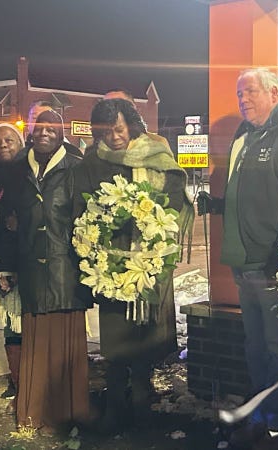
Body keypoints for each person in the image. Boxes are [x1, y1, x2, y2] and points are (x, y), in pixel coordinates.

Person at [196, 68, 278, 448]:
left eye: (249, 92)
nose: (243, 100)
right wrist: (218, 204)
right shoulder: (246, 134)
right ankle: (262, 418)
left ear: (273, 92)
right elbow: (248, 193)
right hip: (244, 262)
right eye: (239, 95)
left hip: (273, 265)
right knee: (256, 345)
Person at [71, 99, 191, 432]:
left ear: (132, 125)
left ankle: (141, 396)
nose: (114, 138)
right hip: (109, 262)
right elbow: (82, 204)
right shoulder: (92, 161)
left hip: (148, 259)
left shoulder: (155, 152)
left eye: (119, 129)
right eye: (106, 132)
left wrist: (151, 217)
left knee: (143, 334)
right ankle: (115, 402)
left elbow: (176, 197)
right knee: (114, 334)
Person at [11, 109, 90, 433]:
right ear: (30, 131)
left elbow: (87, 217)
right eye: (38, 127)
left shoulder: (76, 167)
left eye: (51, 127)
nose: (44, 132)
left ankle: (69, 413)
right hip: (31, 269)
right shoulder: (18, 170)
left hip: (65, 269)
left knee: (65, 344)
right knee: (36, 342)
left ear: (61, 132)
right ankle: (33, 412)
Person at [0, 122, 26, 405]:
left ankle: (32, 377)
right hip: (0, 257)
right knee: (11, 323)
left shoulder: (30, 173)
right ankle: (17, 379)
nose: (4, 145)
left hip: (29, 258)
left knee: (29, 322)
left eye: (10, 140)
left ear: (21, 144)